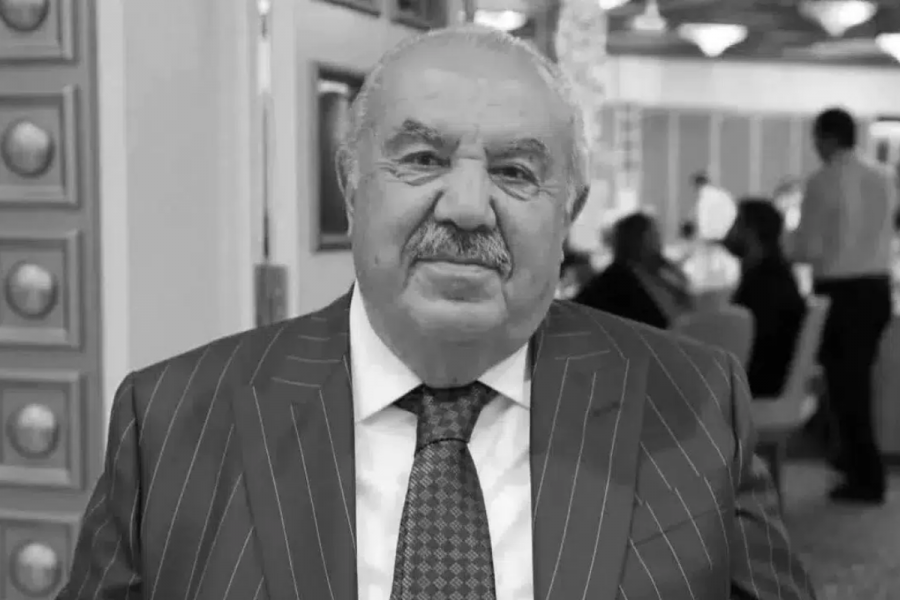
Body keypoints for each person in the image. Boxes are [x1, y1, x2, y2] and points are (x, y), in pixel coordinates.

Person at [58, 25, 815, 600]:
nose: (467, 207)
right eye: (422, 160)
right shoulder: (172, 422)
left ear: (570, 211)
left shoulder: (694, 405)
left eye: (515, 171)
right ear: (352, 186)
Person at [789, 107, 898, 504]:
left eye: (816, 139)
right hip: (877, 290)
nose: (815, 147)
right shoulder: (884, 178)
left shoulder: (822, 180)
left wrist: (788, 246)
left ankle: (865, 477)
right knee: (858, 383)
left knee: (846, 387)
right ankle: (854, 464)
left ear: (828, 137)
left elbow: (807, 248)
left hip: (841, 293)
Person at [724, 198, 806, 397]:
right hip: (769, 382)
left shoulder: (764, 285)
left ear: (751, 231)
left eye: (736, 223)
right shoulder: (776, 275)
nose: (729, 232)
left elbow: (751, 347)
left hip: (757, 387)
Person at [575, 212, 693, 329]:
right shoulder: (615, 281)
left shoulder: (658, 274)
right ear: (636, 240)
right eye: (653, 236)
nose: (659, 244)